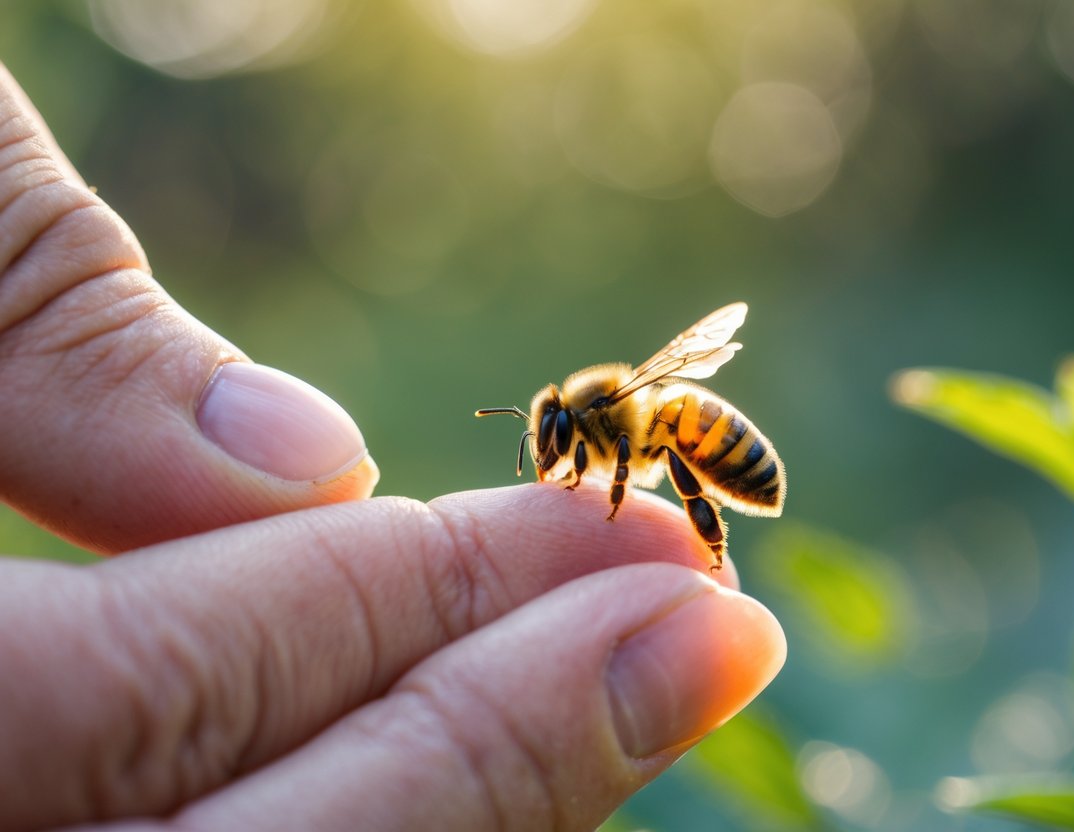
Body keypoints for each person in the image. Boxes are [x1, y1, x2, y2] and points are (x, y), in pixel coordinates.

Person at [0, 63, 785, 831]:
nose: (553, 458)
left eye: (555, 446)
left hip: (692, 431)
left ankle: (707, 547)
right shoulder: (599, 421)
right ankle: (704, 552)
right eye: (554, 447)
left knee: (678, 464)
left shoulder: (611, 415)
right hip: (676, 438)